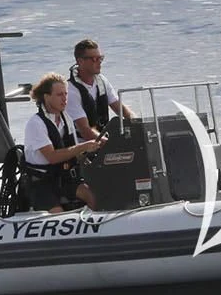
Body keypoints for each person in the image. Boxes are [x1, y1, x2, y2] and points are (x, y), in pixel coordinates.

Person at [23, 73, 107, 213]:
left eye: (66, 94)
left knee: (95, 197)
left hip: (63, 178)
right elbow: (52, 156)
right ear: (46, 97)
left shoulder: (66, 118)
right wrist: (84, 146)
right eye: (59, 95)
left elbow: (74, 152)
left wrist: (92, 153)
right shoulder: (36, 123)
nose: (64, 99)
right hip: (42, 183)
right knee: (58, 214)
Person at [66, 38, 136, 141]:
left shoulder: (102, 81)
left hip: (102, 140)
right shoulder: (70, 91)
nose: (99, 62)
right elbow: (85, 131)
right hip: (83, 146)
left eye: (100, 58)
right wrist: (109, 143)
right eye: (94, 59)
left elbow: (120, 109)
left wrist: (136, 122)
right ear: (80, 61)